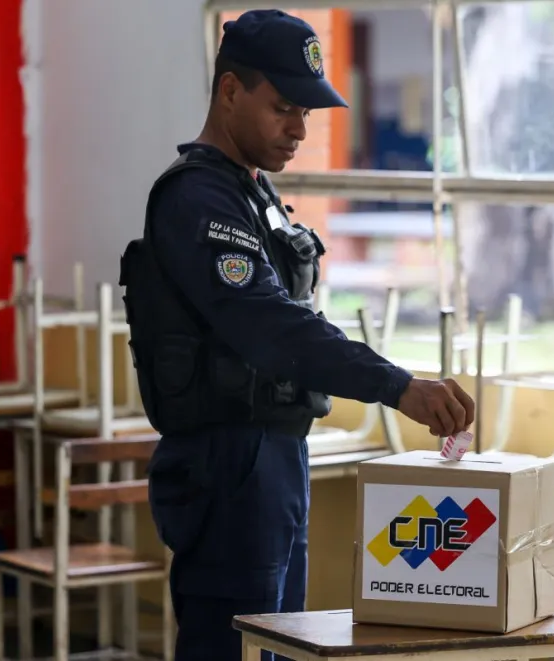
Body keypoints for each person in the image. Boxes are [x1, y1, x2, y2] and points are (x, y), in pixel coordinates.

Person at [119, 9, 475, 661]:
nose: (298, 129)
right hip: (229, 462)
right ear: (230, 91)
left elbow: (292, 317)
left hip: (276, 457)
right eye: (283, 107)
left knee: (279, 646)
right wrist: (397, 387)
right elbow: (270, 323)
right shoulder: (196, 200)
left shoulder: (253, 196)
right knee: (231, 647)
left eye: (306, 113)